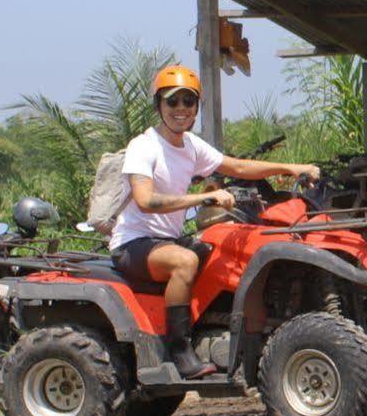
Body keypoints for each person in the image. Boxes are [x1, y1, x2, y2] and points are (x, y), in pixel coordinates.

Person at [111, 64, 322, 378]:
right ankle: (178, 349)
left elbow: (236, 166)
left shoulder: (191, 145)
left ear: (196, 107)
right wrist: (203, 198)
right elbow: (146, 200)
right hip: (134, 244)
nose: (180, 108)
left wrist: (290, 168)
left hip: (165, 240)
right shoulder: (145, 146)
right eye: (172, 101)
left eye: (188, 101)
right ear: (159, 106)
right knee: (184, 262)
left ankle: (215, 332)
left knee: (221, 247)